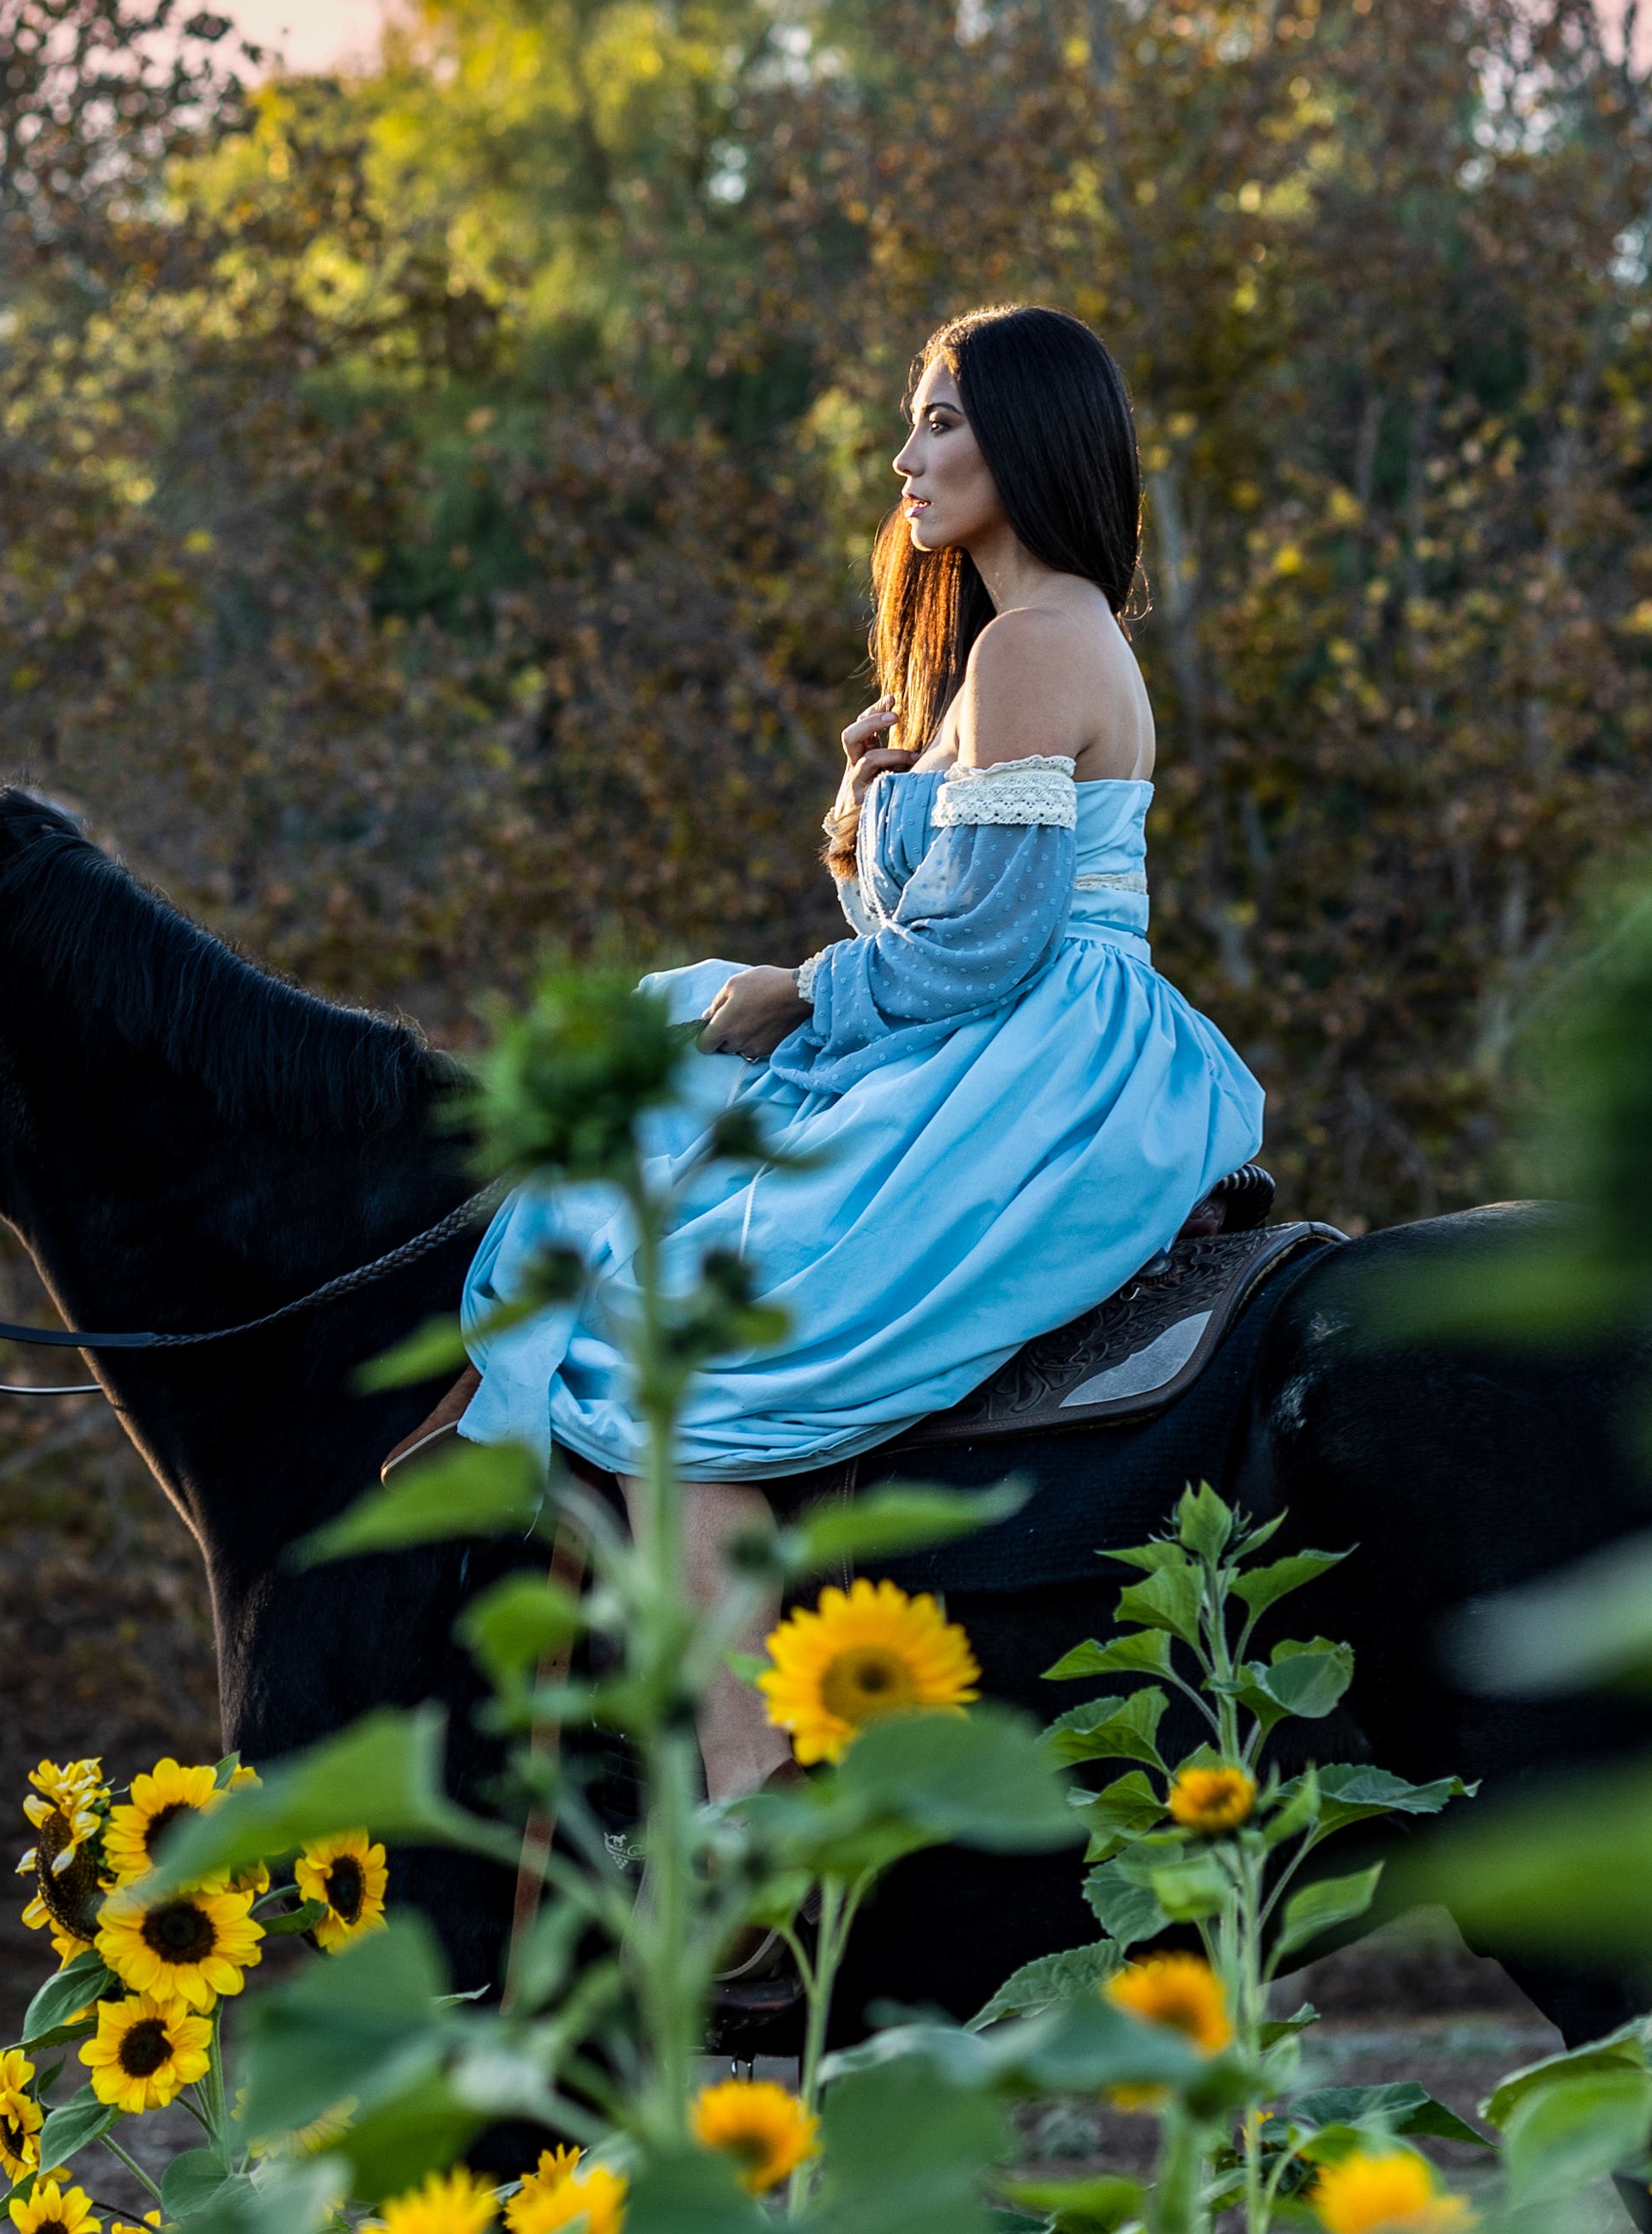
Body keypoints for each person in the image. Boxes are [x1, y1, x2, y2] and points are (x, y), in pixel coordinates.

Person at [444, 302, 1266, 1804]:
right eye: (914, 423)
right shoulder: (1011, 655)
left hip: (1037, 1054)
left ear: (1029, 439)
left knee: (678, 1346)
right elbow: (956, 916)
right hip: (1010, 1032)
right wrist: (865, 815)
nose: (908, 458)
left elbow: (987, 946)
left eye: (942, 421)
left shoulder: (1032, 646)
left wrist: (799, 994)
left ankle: (747, 1768)